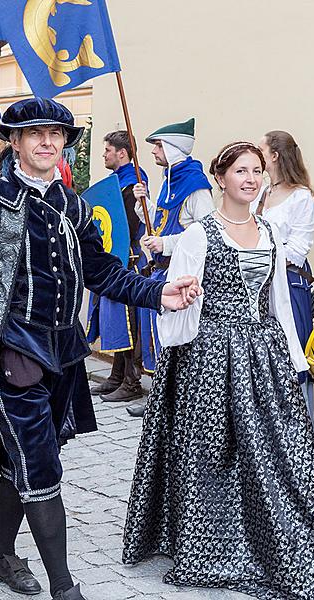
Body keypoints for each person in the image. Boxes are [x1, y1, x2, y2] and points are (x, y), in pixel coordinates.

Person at [0, 98, 201, 600]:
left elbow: (100, 270)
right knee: (41, 462)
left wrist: (156, 293)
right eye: (35, 134)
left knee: (25, 457)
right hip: (12, 351)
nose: (47, 142)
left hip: (65, 352)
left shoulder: (73, 204)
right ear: (15, 142)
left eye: (55, 134)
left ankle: (1, 555)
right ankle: (64, 589)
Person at [123, 141, 314, 599]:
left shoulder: (271, 231)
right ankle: (211, 541)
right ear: (222, 178)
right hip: (210, 355)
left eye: (256, 171)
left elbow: (277, 303)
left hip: (263, 351)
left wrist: (294, 357)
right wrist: (183, 330)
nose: (251, 179)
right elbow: (175, 303)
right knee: (214, 452)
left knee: (279, 454)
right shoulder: (199, 234)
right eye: (241, 171)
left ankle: (276, 540)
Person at [127, 118, 214, 418]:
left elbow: (205, 234)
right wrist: (144, 204)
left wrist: (164, 244)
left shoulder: (195, 187)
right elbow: (160, 220)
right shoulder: (169, 179)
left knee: (177, 339)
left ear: (174, 149)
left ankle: (178, 402)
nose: (153, 151)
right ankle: (160, 397)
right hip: (161, 271)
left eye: (159, 145)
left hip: (181, 274)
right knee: (159, 338)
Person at [253, 130, 314, 420]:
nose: (257, 155)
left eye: (261, 151)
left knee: (291, 357)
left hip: (289, 285)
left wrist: (260, 255)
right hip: (258, 285)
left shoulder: (302, 198)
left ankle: (298, 432)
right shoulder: (262, 193)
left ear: (275, 156)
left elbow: (298, 249)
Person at [86, 130, 148, 402]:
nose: (104, 155)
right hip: (116, 259)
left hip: (129, 260)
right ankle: (117, 375)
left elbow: (130, 225)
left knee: (129, 323)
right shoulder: (116, 184)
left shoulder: (134, 184)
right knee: (116, 321)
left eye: (108, 150)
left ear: (122, 153)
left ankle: (132, 381)